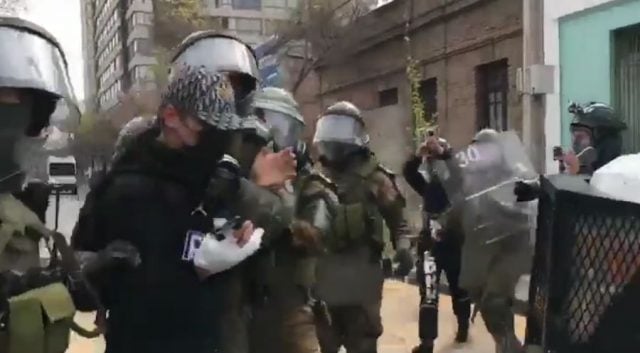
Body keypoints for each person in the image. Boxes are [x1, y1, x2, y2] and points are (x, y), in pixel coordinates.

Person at [71, 66, 286, 353]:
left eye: (224, 129)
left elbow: (232, 239)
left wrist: (233, 238)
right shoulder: (119, 189)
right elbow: (77, 279)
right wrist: (99, 270)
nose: (217, 138)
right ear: (171, 117)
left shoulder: (216, 179)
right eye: (207, 127)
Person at [0, 16, 137, 353]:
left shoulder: (16, 205)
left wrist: (77, 274)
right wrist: (51, 281)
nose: (18, 127)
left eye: (26, 109)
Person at [312, 101, 412, 353]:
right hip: (323, 275)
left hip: (361, 275)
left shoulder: (375, 178)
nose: (334, 138)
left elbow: (399, 222)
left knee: (363, 344)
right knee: (324, 342)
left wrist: (404, 249)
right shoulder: (314, 178)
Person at [249, 87, 333, 353]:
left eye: (281, 128)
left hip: (291, 308)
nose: (272, 139)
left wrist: (280, 208)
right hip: (242, 307)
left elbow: (316, 235)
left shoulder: (311, 184)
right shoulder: (238, 179)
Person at [457, 129, 534, 353]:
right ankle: (505, 345)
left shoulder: (514, 173)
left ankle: (512, 348)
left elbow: (525, 204)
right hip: (483, 250)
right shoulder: (471, 180)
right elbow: (462, 208)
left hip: (511, 249)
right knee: (485, 301)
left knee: (495, 301)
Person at [403, 134, 471, 353]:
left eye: (437, 161)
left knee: (459, 290)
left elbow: (458, 172)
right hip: (431, 246)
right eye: (431, 162)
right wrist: (418, 155)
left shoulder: (456, 185)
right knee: (429, 292)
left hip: (454, 244)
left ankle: (462, 328)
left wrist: (444, 153)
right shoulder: (428, 187)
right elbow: (409, 173)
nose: (434, 165)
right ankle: (427, 342)